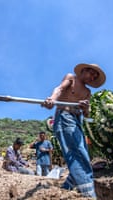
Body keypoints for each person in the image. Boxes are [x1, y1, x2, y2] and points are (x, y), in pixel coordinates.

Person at [43, 63, 106, 198]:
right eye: (91, 74)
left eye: (95, 77)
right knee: (78, 154)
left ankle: (66, 188)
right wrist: (52, 99)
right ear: (83, 71)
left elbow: (87, 115)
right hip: (64, 117)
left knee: (82, 155)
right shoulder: (71, 78)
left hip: (77, 122)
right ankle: (89, 194)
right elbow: (59, 89)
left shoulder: (87, 92)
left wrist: (85, 108)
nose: (92, 78)